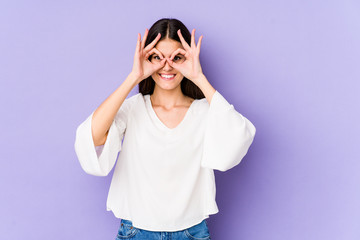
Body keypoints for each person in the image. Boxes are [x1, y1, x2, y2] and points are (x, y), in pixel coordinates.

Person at [74, 18, 256, 240]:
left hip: (191, 232)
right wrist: (134, 77)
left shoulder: (206, 112)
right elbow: (91, 138)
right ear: (146, 59)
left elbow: (238, 136)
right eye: (157, 57)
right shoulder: (132, 109)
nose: (167, 66)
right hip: (136, 231)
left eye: (177, 57)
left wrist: (199, 77)